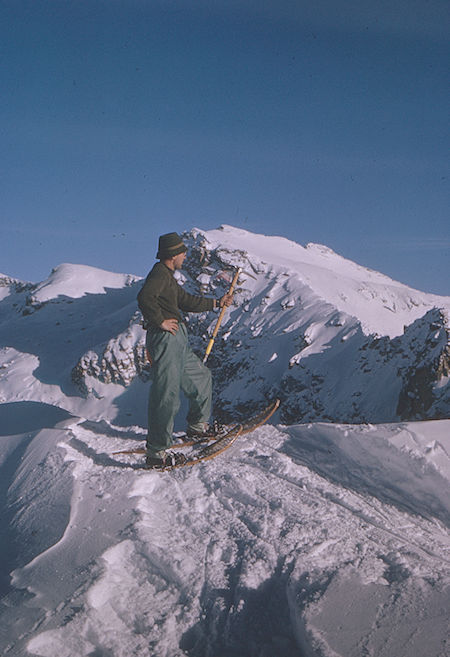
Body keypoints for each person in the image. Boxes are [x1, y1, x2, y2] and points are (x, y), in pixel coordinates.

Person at [137, 232, 233, 467]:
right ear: (173, 255)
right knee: (166, 393)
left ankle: (197, 427)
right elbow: (145, 297)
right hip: (165, 337)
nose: (185, 255)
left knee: (201, 377)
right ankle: (156, 453)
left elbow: (186, 301)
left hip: (177, 339)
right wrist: (159, 320)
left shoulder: (168, 277)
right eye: (182, 252)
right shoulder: (159, 274)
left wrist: (216, 303)